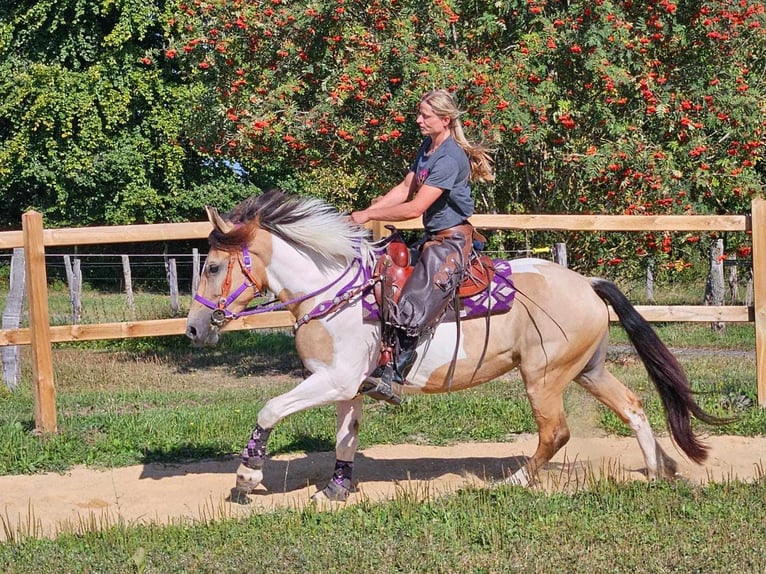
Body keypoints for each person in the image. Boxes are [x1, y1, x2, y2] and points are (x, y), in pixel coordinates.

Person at [350, 89, 494, 403]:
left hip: (452, 241)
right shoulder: (428, 147)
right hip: (433, 238)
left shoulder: (451, 156)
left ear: (445, 119)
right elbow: (405, 188)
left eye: (425, 116)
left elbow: (416, 208)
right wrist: (362, 214)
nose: (418, 120)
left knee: (415, 299)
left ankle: (395, 375)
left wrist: (369, 214)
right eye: (419, 114)